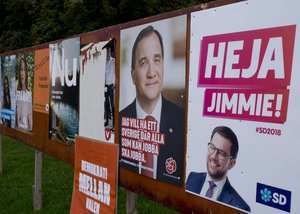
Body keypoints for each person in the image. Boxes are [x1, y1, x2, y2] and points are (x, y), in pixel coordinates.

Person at [119, 25, 184, 186]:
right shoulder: (119, 122)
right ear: (133, 75)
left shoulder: (183, 121)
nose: (151, 72)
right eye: (143, 63)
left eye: (157, 60)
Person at [186, 126, 251, 212]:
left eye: (221, 153)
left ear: (231, 163)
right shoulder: (192, 178)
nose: (213, 156)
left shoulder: (240, 208)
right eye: (212, 147)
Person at [15, 55, 33, 132]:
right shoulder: (16, 94)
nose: (22, 73)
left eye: (24, 70)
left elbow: (30, 117)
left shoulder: (29, 94)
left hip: (26, 132)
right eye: (21, 69)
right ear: (19, 72)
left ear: (26, 72)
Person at [104, 45, 115, 129]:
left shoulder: (113, 61)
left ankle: (114, 124)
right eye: (106, 52)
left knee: (113, 105)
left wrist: (115, 84)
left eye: (108, 52)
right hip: (105, 87)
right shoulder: (104, 62)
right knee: (106, 104)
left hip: (112, 86)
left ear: (110, 52)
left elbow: (116, 73)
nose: (107, 53)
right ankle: (107, 121)